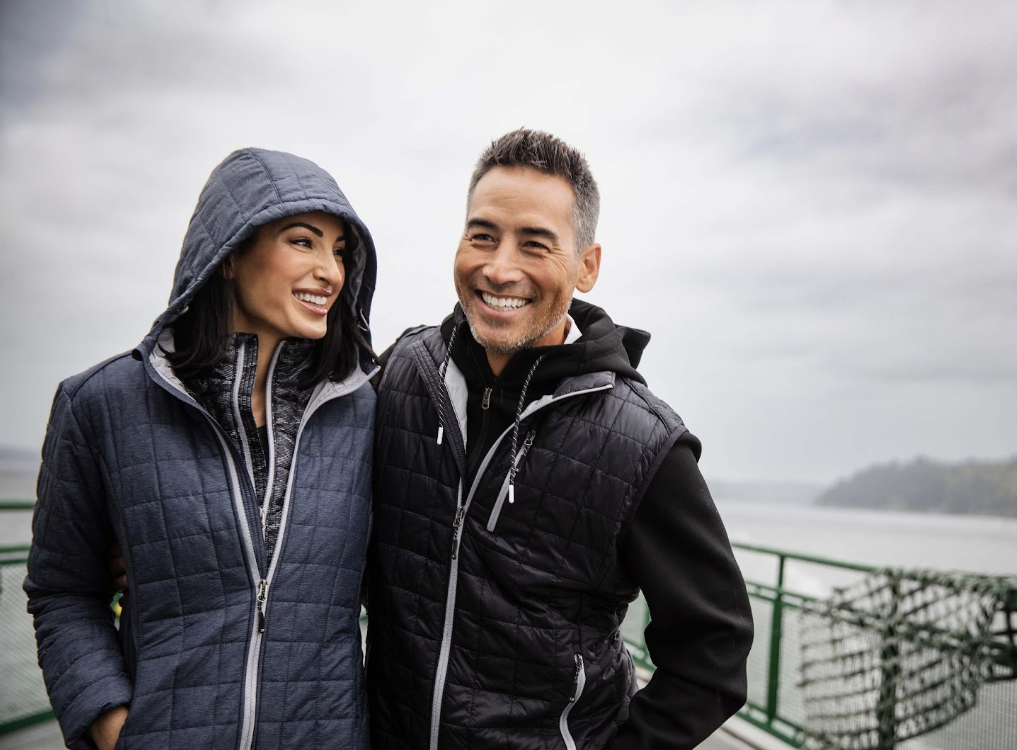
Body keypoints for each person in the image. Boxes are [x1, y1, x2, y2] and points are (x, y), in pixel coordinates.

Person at [367, 129, 754, 750]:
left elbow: (714, 649)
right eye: (482, 235)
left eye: (535, 244)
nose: (499, 267)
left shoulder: (642, 444)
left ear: (587, 266)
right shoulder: (403, 372)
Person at [25, 148, 378, 750]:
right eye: (303, 242)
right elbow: (63, 592)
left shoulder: (368, 411)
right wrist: (112, 725)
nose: (331, 272)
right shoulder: (103, 404)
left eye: (340, 252)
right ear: (229, 256)